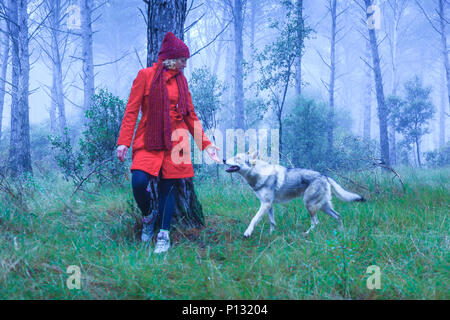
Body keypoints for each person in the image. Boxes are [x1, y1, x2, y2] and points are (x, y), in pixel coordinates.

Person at [116, 31, 220, 254]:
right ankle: (148, 216)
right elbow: (132, 110)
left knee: (168, 188)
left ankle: (163, 234)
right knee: (138, 180)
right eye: (183, 60)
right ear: (171, 58)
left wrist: (207, 145)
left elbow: (190, 116)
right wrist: (124, 142)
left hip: (177, 140)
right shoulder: (145, 76)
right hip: (149, 137)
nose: (185, 65)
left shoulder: (182, 82)